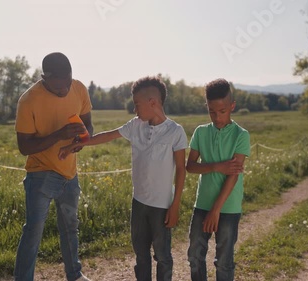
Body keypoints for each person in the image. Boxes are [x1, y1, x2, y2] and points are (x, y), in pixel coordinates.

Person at [59, 76, 188, 281]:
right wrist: (74, 146)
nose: (135, 110)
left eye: (137, 105)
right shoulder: (136, 125)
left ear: (152, 102)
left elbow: (181, 169)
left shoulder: (175, 132)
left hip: (162, 206)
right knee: (141, 255)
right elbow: (108, 135)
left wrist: (175, 205)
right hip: (138, 203)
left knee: (163, 256)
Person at [14, 52, 94, 281]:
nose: (64, 91)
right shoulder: (28, 100)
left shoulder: (79, 88)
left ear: (71, 76)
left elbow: (88, 124)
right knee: (33, 232)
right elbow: (24, 146)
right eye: (58, 88)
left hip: (70, 173)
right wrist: (59, 134)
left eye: (67, 84)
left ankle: (74, 275)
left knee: (70, 227)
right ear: (44, 78)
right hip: (41, 175)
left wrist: (82, 140)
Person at [186, 78, 250, 281]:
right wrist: (215, 166)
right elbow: (190, 166)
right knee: (195, 255)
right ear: (207, 107)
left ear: (232, 106)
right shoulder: (200, 132)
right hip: (201, 205)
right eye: (212, 112)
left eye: (222, 111)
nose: (217, 117)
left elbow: (233, 175)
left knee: (224, 261)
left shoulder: (241, 135)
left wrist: (216, 210)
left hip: (228, 208)